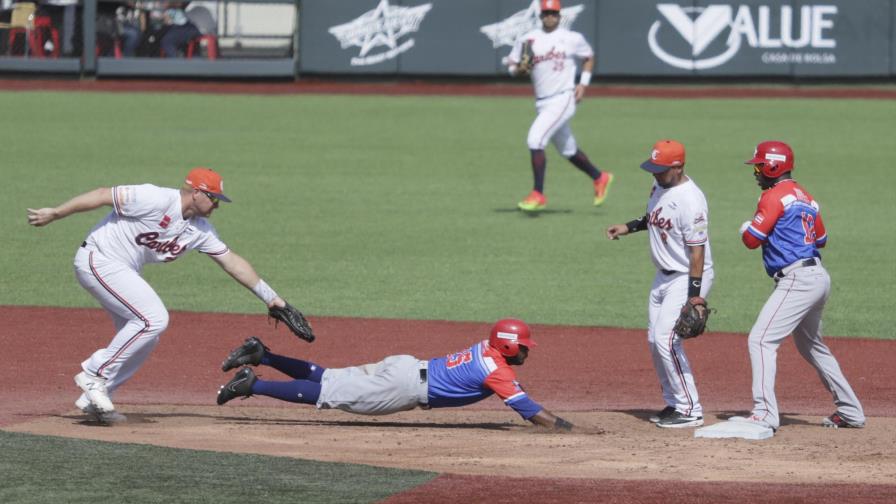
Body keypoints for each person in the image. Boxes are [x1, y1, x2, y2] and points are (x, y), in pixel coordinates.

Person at [27, 167, 300, 423]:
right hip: (98, 259)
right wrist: (56, 213)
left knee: (147, 336)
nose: (217, 205)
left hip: (123, 270)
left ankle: (96, 398)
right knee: (153, 319)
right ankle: (94, 375)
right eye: (214, 198)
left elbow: (232, 262)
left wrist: (272, 298)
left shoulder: (200, 230)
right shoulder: (154, 198)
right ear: (197, 193)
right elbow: (101, 195)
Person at [216, 318, 575, 432]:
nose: (527, 351)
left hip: (405, 367)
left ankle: (264, 354)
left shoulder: (486, 348)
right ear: (509, 346)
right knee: (329, 395)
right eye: (523, 346)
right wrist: (570, 429)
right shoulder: (496, 370)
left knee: (328, 378)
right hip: (402, 386)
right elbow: (530, 412)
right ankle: (254, 383)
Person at [730, 141, 865, 432]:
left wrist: (746, 229)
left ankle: (764, 413)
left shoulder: (773, 196)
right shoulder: (807, 197)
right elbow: (821, 240)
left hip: (797, 280)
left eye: (759, 166)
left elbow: (751, 240)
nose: (756, 172)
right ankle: (851, 411)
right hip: (818, 277)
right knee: (812, 346)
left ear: (773, 165)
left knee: (761, 340)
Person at [606, 140, 713, 429]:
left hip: (686, 276)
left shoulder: (691, 201)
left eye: (661, 170)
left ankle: (690, 409)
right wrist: (629, 226)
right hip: (662, 277)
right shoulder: (659, 185)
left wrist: (694, 297)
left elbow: (698, 253)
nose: (655, 174)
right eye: (653, 168)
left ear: (679, 167)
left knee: (667, 339)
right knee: (655, 340)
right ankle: (675, 402)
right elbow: (655, 217)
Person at [506, 0, 613, 212]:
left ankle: (538, 194)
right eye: (546, 13)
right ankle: (600, 177)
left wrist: (583, 83)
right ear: (540, 15)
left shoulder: (571, 38)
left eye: (553, 13)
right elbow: (512, 65)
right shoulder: (528, 39)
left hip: (563, 98)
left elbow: (588, 57)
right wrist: (518, 70)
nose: (549, 16)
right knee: (568, 149)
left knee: (535, 139)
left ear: (559, 15)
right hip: (542, 101)